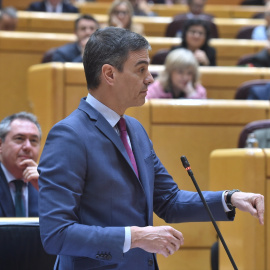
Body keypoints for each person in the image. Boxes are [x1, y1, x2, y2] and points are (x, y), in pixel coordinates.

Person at [38, 27, 264, 270]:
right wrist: (136, 238)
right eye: (141, 69)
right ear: (109, 74)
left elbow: (169, 200)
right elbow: (56, 234)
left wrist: (229, 198)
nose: (150, 79)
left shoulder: (135, 130)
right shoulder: (69, 135)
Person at [0, 112, 41, 217]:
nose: (27, 146)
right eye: (19, 138)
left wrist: (45, 190)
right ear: (1, 145)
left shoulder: (46, 182)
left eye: (33, 140)